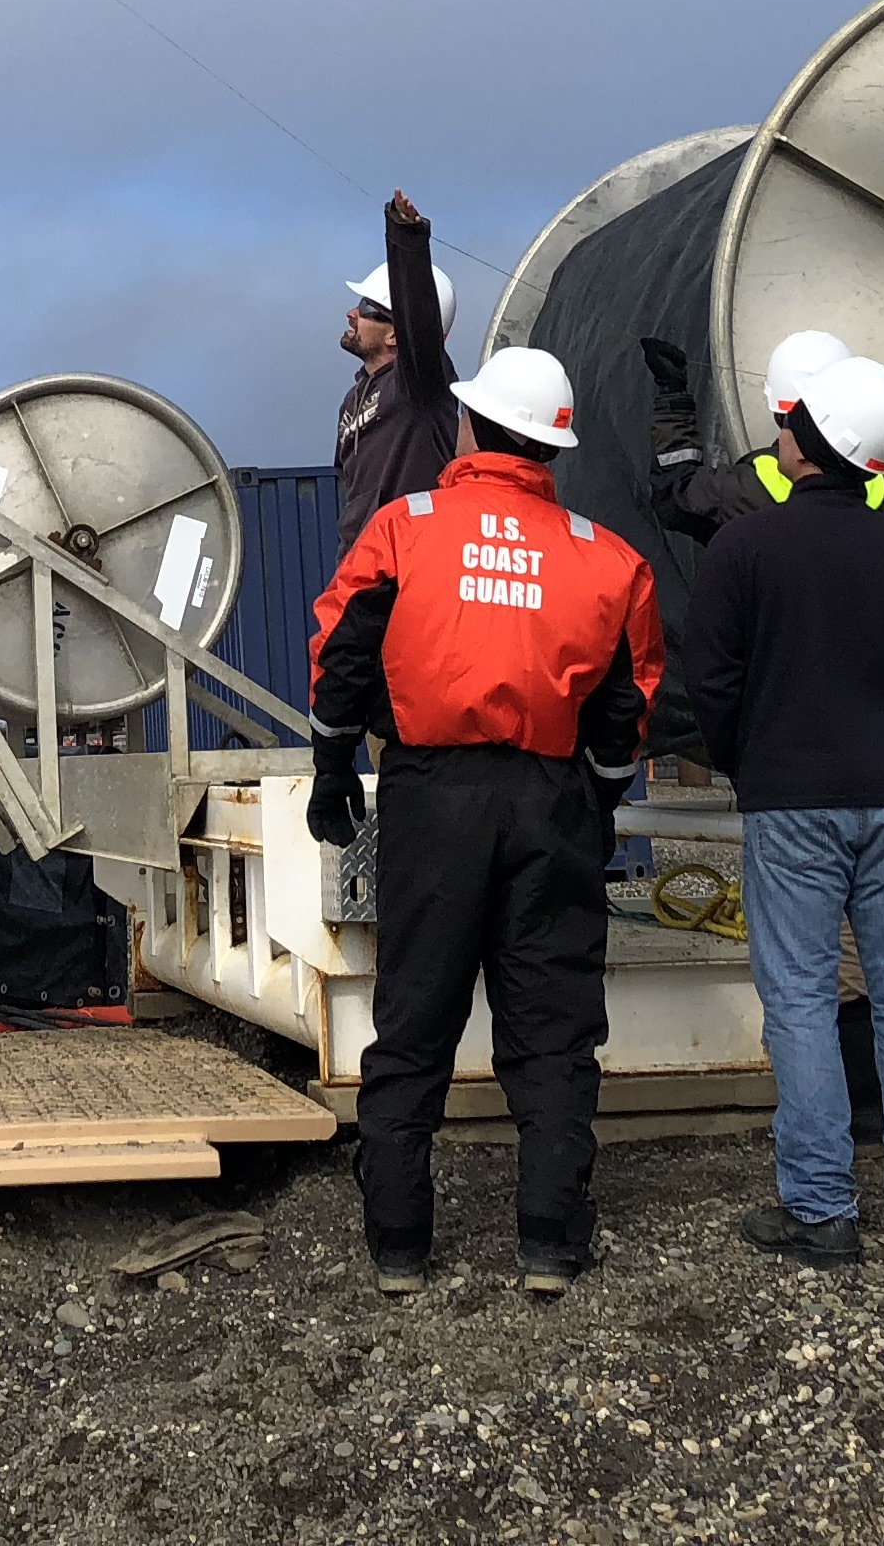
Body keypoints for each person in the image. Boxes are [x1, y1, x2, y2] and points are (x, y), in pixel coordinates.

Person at [307, 342, 662, 1301]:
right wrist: (594, 797)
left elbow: (343, 657)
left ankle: (399, 1246)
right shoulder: (608, 557)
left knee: (414, 1015)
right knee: (550, 1025)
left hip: (431, 796)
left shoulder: (404, 526)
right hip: (550, 800)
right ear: (552, 447)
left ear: (470, 427)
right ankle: (549, 1241)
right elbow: (627, 706)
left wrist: (332, 765)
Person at [670, 351, 884, 1266]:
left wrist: (748, 760)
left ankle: (820, 1211)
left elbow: (712, 685)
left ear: (804, 444)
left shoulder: (743, 547)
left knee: (803, 1002)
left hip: (788, 805)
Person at [634, 327, 884, 762]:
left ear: (778, 411)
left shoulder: (742, 499)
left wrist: (673, 399)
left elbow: (675, 493)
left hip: (780, 755)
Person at [334, 189, 462, 550]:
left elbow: (419, 323)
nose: (352, 313)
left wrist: (406, 240)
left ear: (395, 333)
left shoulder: (420, 387)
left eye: (366, 307)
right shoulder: (352, 401)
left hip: (410, 560)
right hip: (360, 568)